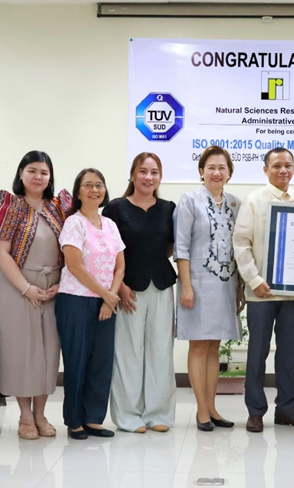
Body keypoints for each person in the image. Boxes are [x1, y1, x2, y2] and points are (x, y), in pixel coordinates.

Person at [0, 151, 72, 440]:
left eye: (44, 172)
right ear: (21, 173)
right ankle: (24, 415)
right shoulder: (8, 205)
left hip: (53, 288)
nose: (38, 177)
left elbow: (73, 248)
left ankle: (41, 414)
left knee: (49, 351)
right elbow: (0, 253)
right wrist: (25, 288)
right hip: (16, 286)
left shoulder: (59, 208)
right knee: (21, 351)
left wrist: (62, 282)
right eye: (32, 170)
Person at [233, 147, 294, 433]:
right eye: (277, 165)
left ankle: (286, 409)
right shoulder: (253, 201)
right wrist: (253, 279)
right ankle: (255, 411)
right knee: (257, 353)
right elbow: (241, 243)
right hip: (262, 293)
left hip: (292, 295)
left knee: (288, 353)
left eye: (288, 165)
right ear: (265, 169)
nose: (283, 170)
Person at [102, 152, 177, 433]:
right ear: (133, 174)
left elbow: (170, 247)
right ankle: (128, 416)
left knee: (160, 351)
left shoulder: (169, 208)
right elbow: (107, 251)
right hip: (127, 291)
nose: (148, 177)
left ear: (160, 177)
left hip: (160, 287)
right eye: (143, 171)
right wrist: (118, 286)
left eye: (154, 172)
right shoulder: (115, 208)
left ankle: (158, 414)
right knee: (128, 352)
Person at [174, 146, 243, 431]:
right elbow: (181, 247)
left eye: (222, 168)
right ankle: (201, 410)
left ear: (229, 173)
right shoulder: (189, 200)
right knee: (199, 345)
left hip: (226, 285)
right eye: (211, 167)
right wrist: (186, 286)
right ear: (201, 171)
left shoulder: (236, 204)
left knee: (215, 346)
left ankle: (213, 407)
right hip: (197, 285)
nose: (217, 172)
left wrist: (240, 287)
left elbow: (240, 248)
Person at [57, 168, 123, 440]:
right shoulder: (74, 222)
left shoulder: (110, 224)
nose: (94, 190)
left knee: (101, 363)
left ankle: (94, 419)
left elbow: (120, 267)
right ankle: (75, 421)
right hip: (76, 301)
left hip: (106, 301)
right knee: (77, 361)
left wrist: (111, 296)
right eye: (88, 185)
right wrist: (105, 294)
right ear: (78, 191)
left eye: (99, 185)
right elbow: (74, 265)